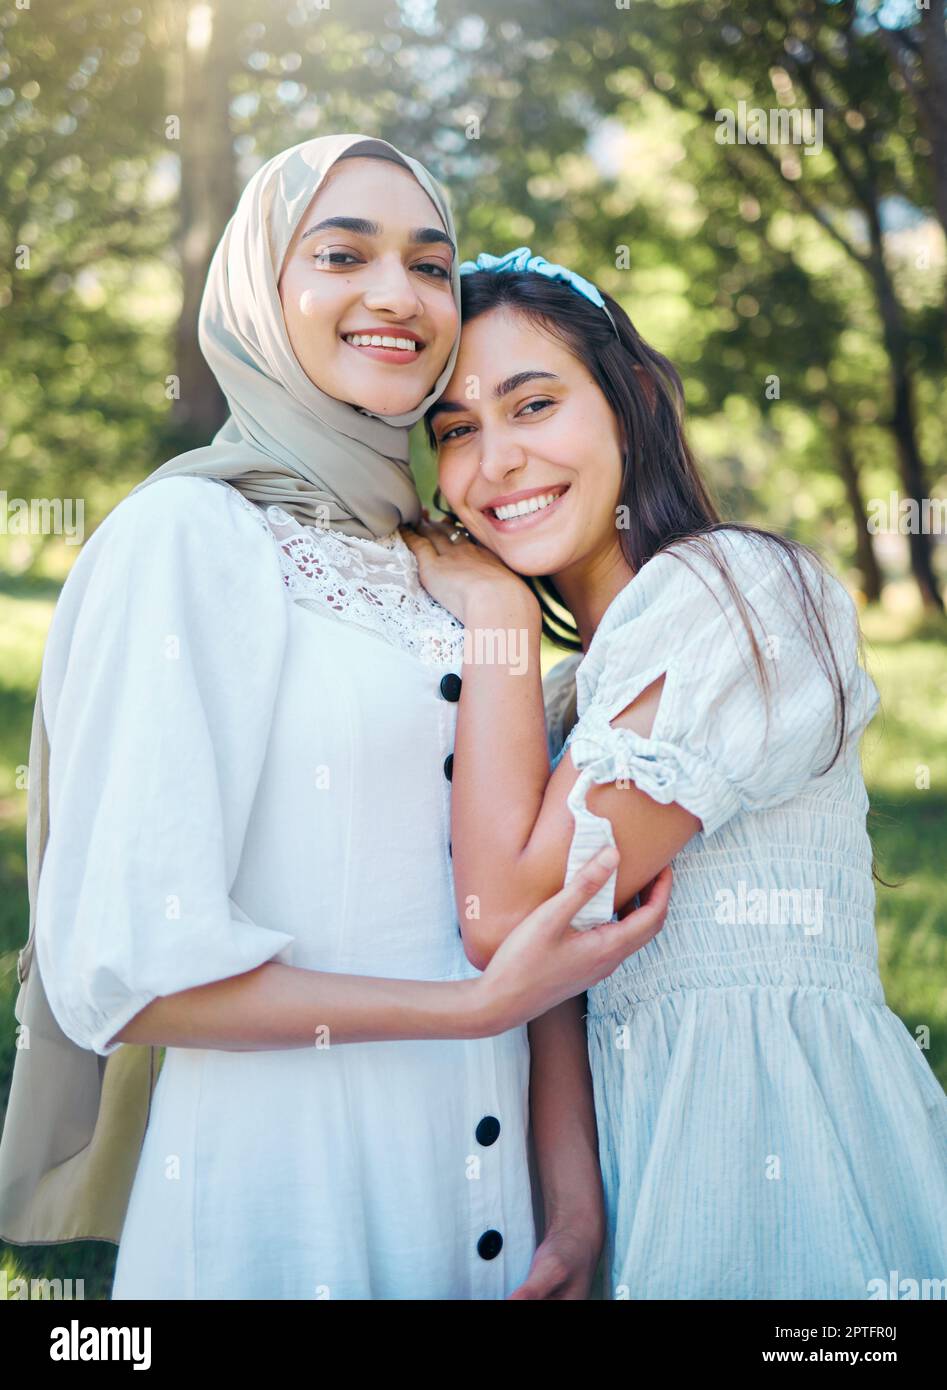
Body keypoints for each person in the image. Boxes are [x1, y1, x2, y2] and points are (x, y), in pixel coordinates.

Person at [1, 154, 670, 1300]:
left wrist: (570, 1212)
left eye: (429, 263)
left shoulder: (454, 562)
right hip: (290, 1198)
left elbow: (516, 892)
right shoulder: (187, 539)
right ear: (262, 290)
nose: (395, 293)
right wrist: (471, 1008)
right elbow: (130, 968)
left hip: (494, 1207)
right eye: (341, 254)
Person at [405, 246, 947, 1300]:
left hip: (774, 1156)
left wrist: (495, 613)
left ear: (629, 399)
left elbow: (504, 912)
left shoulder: (739, 592)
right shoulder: (563, 701)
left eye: (532, 404)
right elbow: (549, 984)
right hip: (632, 1160)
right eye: (456, 431)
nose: (496, 459)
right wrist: (572, 1217)